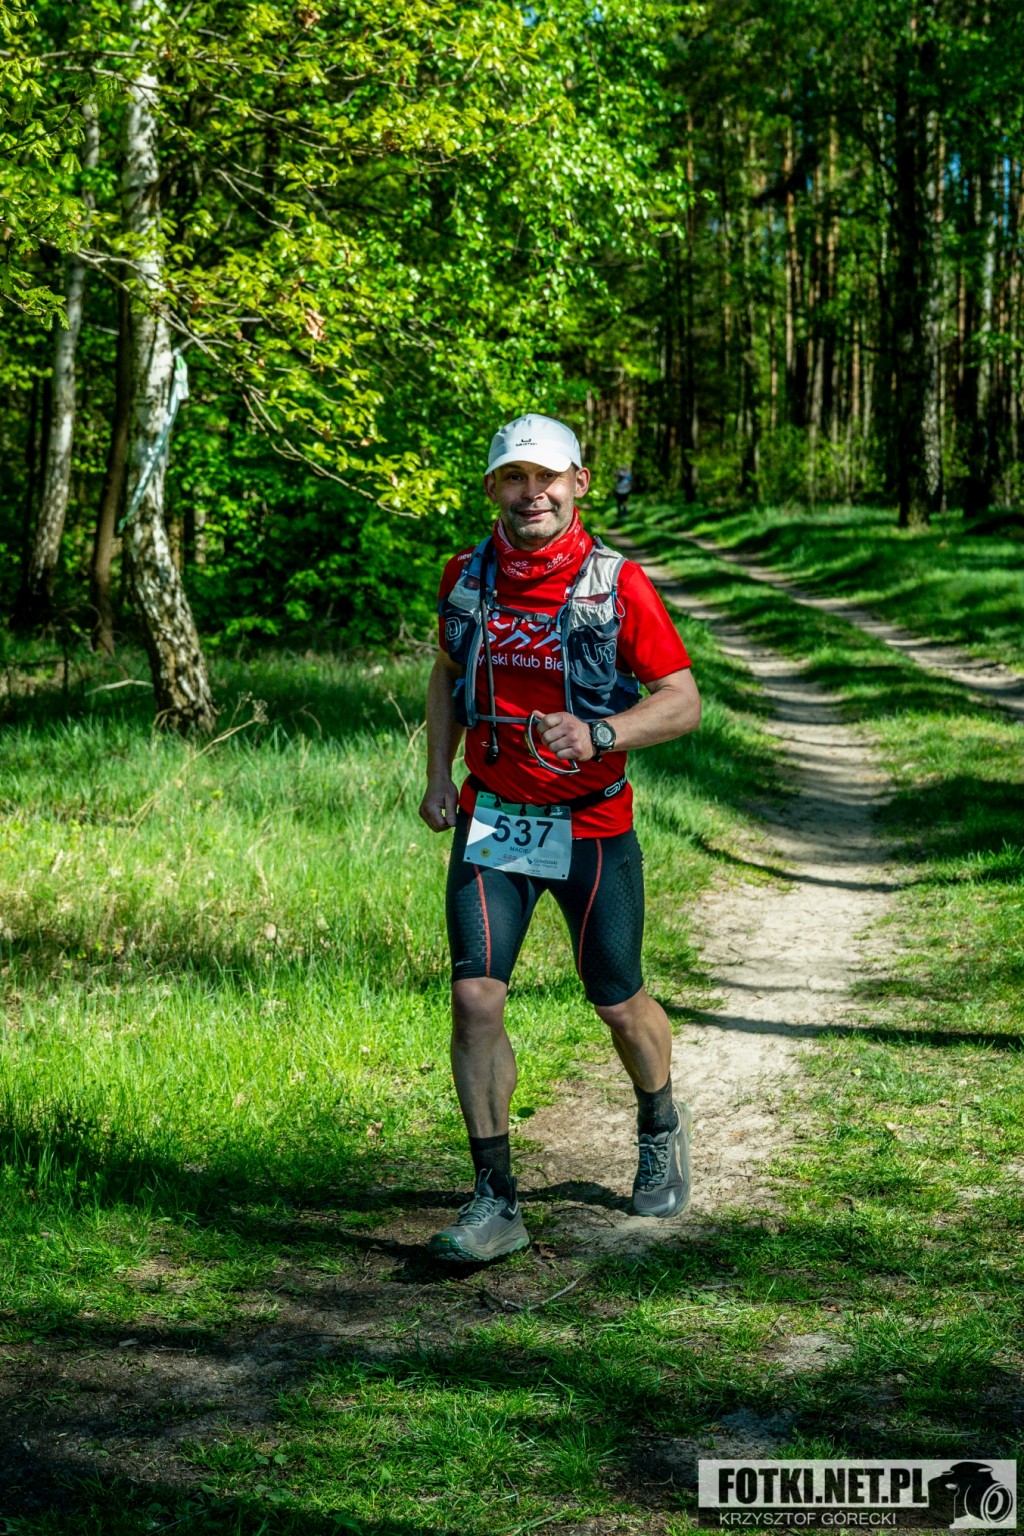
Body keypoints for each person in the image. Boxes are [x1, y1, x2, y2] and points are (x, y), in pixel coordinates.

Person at [418, 412, 701, 1263]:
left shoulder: (618, 584)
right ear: (492, 489)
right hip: (494, 819)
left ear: (578, 482)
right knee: (476, 999)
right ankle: (495, 1199)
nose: (530, 493)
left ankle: (660, 1123)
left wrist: (601, 733)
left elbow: (682, 701)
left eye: (546, 477)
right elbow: (445, 674)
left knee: (616, 1000)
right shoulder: (466, 577)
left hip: (591, 826)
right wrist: (438, 776)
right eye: (514, 477)